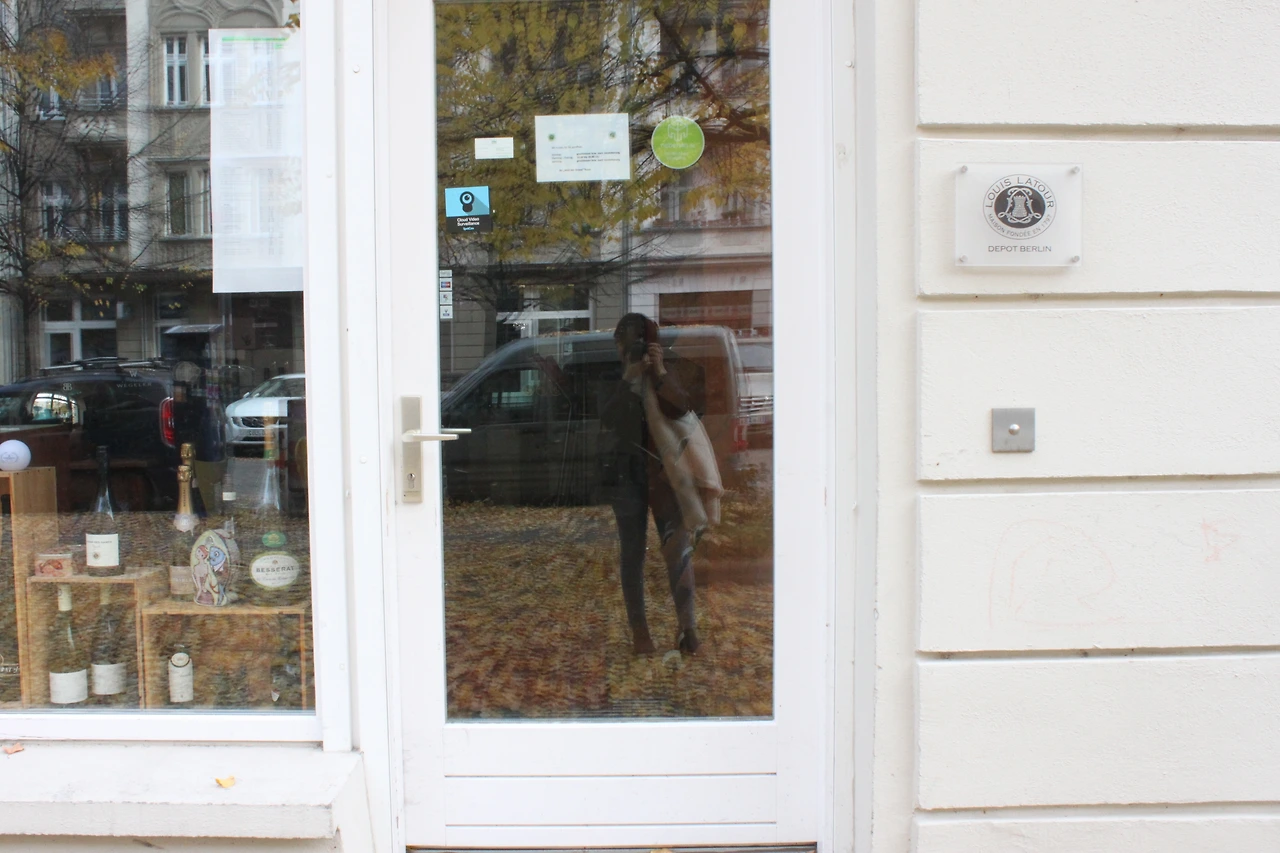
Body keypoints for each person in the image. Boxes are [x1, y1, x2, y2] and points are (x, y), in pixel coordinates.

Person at [600, 313, 702, 655]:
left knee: (678, 552)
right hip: (627, 476)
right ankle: (640, 633)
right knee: (632, 554)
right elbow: (609, 419)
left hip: (665, 477)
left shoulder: (665, 371)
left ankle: (688, 629)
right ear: (618, 346)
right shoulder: (614, 377)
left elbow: (683, 409)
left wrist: (659, 373)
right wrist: (628, 379)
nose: (635, 352)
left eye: (642, 345)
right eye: (629, 346)